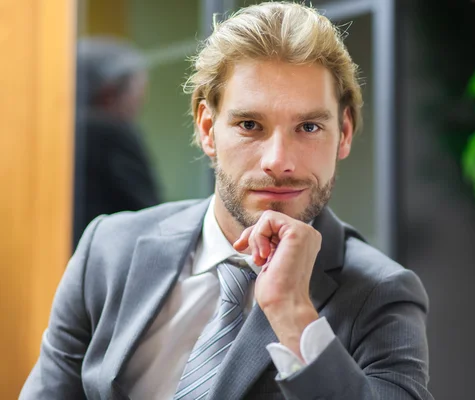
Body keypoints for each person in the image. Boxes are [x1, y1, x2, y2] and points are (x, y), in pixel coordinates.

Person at [20, 3, 433, 399]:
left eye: (308, 126)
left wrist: (293, 315)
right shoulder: (108, 249)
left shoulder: (382, 294)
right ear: (207, 128)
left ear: (342, 134)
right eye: (250, 125)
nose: (279, 161)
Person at [72, 37, 161, 248]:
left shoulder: (60, 130)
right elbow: (148, 214)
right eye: (136, 92)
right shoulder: (111, 132)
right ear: (110, 92)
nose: (139, 103)